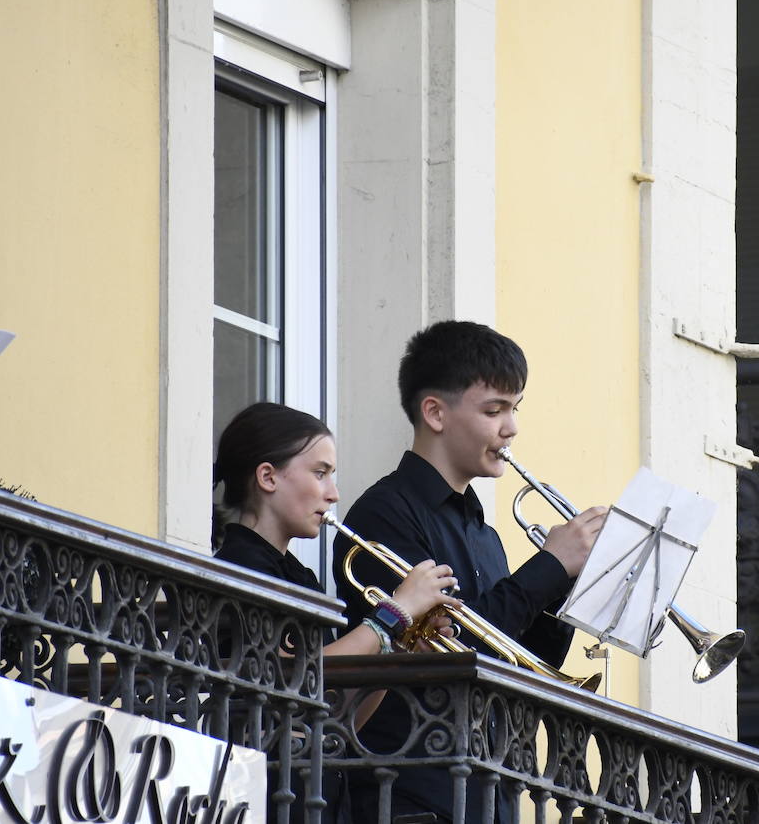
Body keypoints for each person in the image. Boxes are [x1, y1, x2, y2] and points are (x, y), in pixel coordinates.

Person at [333, 321, 608, 824]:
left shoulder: (485, 534)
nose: (511, 428)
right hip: (408, 785)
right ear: (435, 413)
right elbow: (456, 645)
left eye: (515, 409)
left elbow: (522, 658)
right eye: (493, 410)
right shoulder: (385, 513)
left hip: (485, 783)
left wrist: (570, 582)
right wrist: (549, 565)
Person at [212, 401, 461, 824]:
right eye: (320, 473)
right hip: (266, 792)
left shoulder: (298, 575)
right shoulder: (241, 566)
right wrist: (392, 615)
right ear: (268, 477)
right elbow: (293, 680)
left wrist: (399, 646)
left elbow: (341, 714)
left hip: (316, 793)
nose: (333, 493)